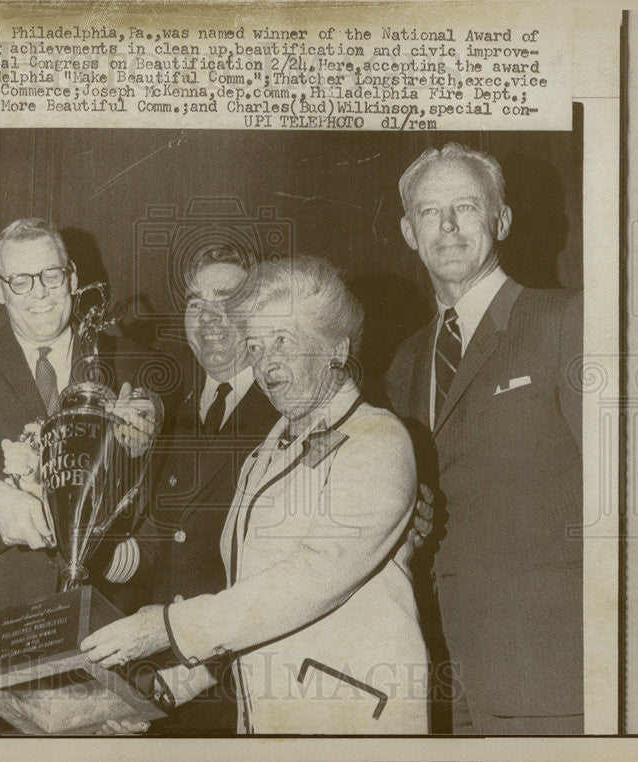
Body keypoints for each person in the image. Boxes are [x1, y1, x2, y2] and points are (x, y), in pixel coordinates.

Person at [82, 256, 428, 734]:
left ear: (336, 347)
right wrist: (163, 691)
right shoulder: (269, 453)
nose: (267, 361)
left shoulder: (378, 439)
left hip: (346, 714)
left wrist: (168, 626)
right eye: (257, 345)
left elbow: (309, 579)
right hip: (266, 717)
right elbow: (250, 599)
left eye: (283, 341)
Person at [385, 143, 583, 734]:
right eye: (428, 211)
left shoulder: (565, 321)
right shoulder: (406, 359)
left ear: (502, 220)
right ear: (407, 230)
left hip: (553, 666)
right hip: (447, 670)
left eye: (466, 207)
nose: (446, 226)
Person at [100, 244, 279, 734]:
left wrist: (194, 674)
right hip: (150, 673)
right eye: (196, 303)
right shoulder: (164, 409)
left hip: (235, 684)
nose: (209, 316)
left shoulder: (288, 410)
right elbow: (155, 544)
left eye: (228, 300)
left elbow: (290, 575)